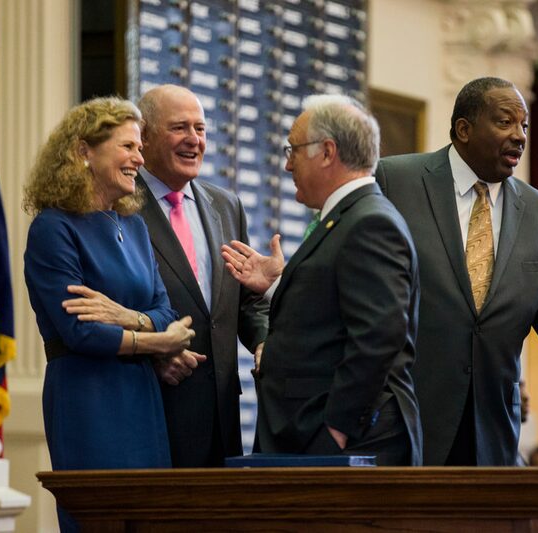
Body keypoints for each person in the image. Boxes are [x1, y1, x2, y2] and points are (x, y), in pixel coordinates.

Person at [374, 77, 538, 466]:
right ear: (464, 129)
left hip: (491, 432)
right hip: (403, 422)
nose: (519, 136)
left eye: (524, 126)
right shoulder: (394, 182)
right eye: (504, 123)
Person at [23, 97, 201, 531]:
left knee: (149, 519)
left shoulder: (135, 226)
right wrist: (157, 341)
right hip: (89, 398)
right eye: (127, 147)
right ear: (84, 151)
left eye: (139, 148)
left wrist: (126, 316)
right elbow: (80, 332)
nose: (139, 159)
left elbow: (165, 310)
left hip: (142, 396)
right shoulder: (53, 227)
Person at [222, 94, 422, 466]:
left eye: (293, 150)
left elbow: (380, 334)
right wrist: (278, 287)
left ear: (328, 152)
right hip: (316, 434)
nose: (286, 165)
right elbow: (335, 311)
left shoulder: (369, 223)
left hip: (345, 440)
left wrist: (337, 428)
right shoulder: (348, 218)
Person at [135, 84, 269, 467]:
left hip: (221, 418)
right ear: (143, 137)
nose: (194, 140)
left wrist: (263, 341)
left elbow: (247, 302)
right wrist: (151, 354)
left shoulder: (227, 206)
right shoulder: (120, 207)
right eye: (179, 128)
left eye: (201, 129)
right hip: (155, 408)